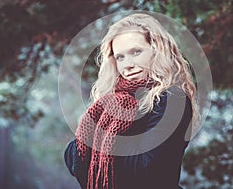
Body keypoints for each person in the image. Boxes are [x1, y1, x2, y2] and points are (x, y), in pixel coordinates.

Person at [64, 13, 198, 189]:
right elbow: (74, 162)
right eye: (120, 57)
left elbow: (146, 169)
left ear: (157, 51)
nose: (127, 64)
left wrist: (101, 138)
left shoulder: (172, 99)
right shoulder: (110, 104)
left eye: (136, 52)